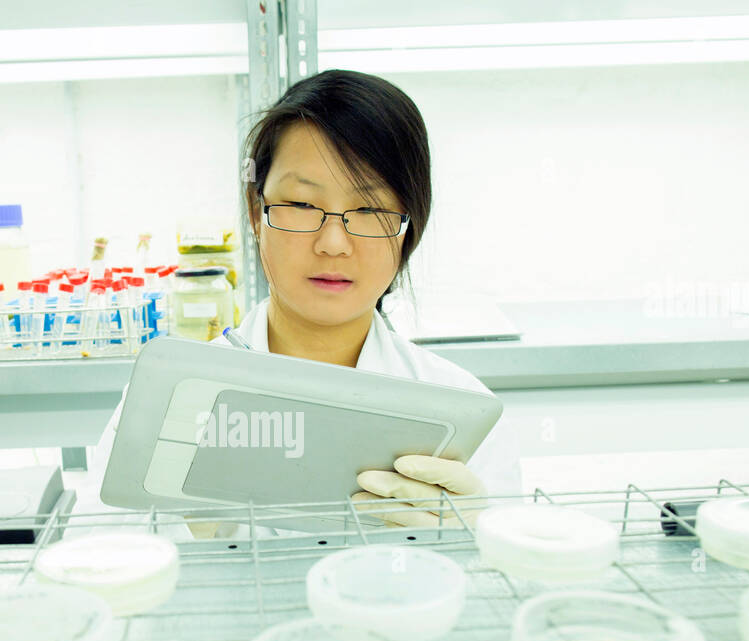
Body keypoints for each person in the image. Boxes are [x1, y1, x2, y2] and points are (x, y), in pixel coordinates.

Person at [70, 69, 521, 538]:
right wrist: (183, 533)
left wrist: (477, 541)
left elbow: (501, 589)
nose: (333, 242)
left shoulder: (461, 414)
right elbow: (88, 557)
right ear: (255, 211)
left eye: (371, 210)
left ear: (408, 228)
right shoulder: (172, 395)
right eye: (302, 206)